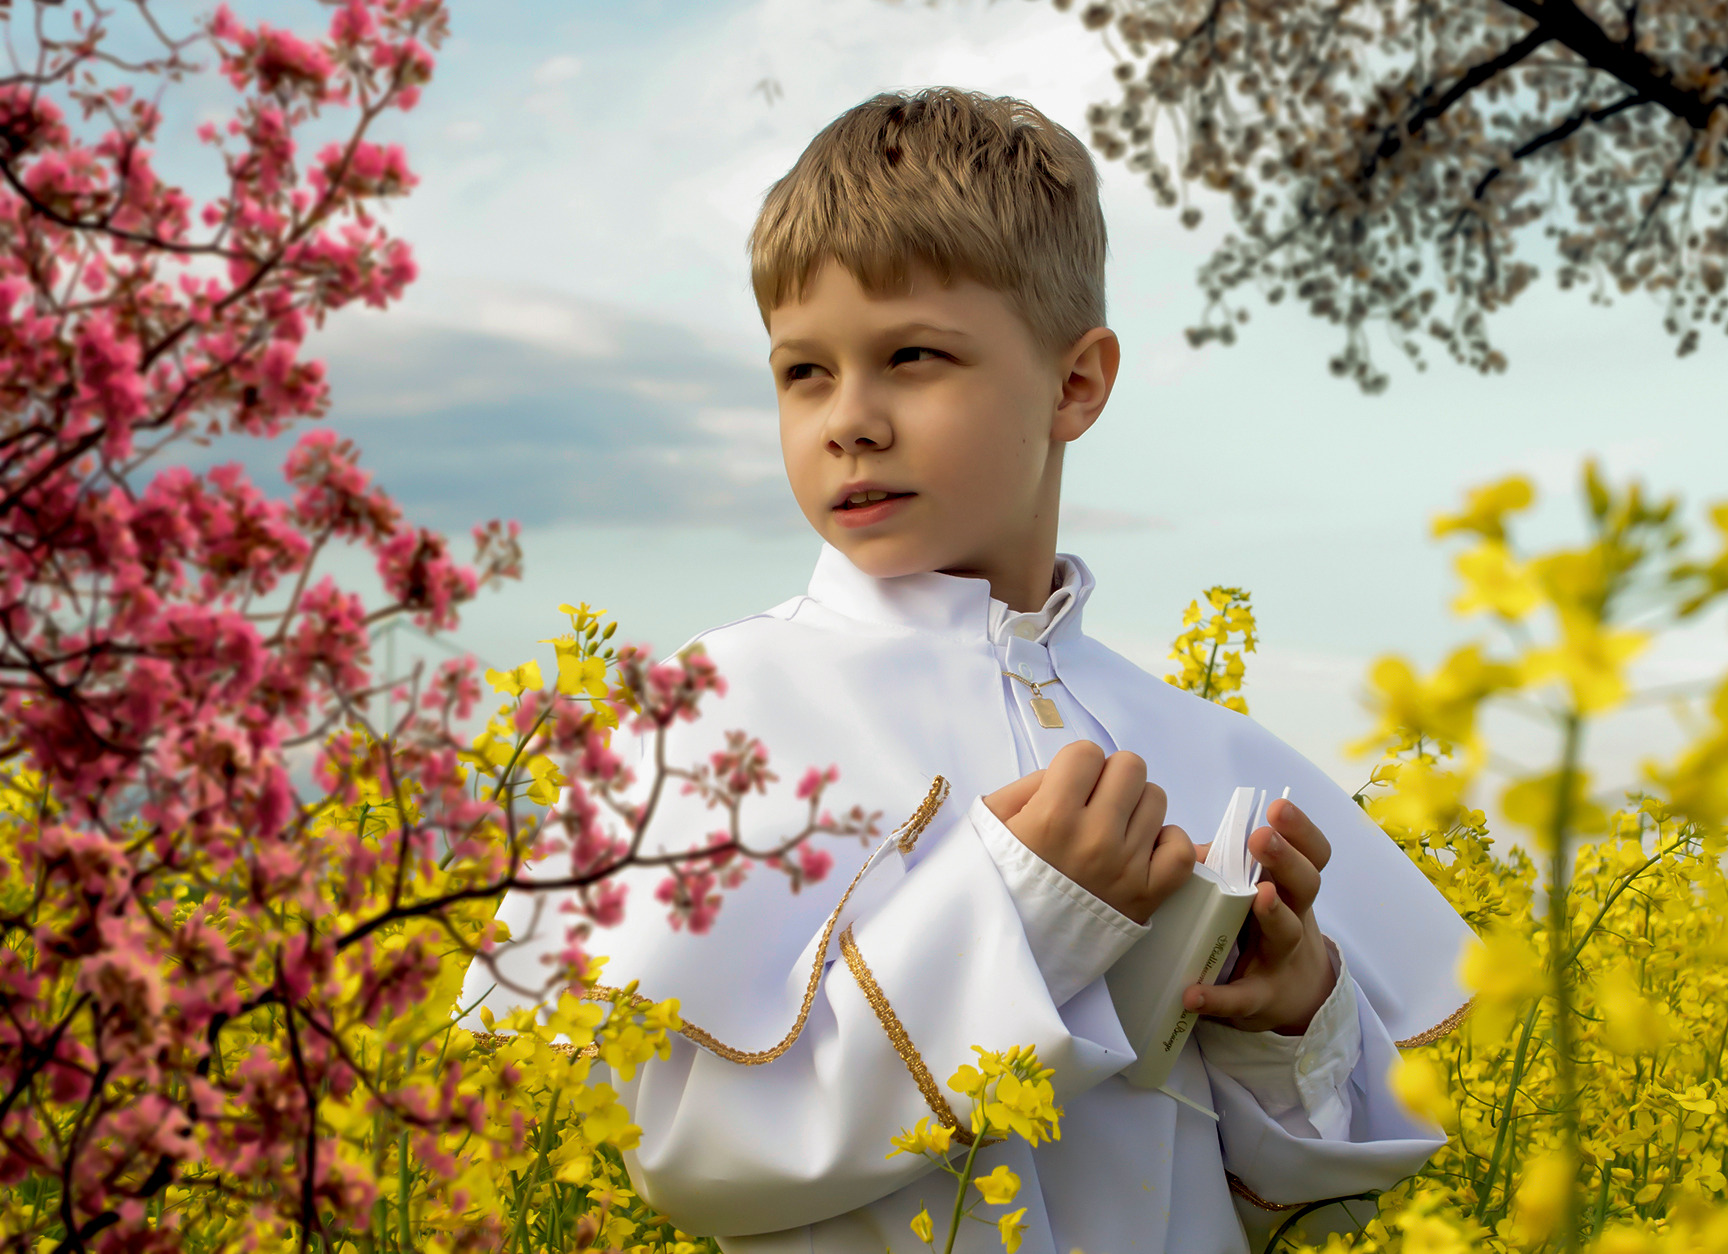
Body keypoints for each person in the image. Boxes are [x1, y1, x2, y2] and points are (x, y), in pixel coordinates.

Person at [481, 87, 1474, 1252]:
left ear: (1074, 384)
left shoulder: (1202, 744)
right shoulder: (716, 712)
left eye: (911, 357)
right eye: (803, 372)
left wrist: (1285, 1017)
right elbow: (685, 1157)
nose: (848, 421)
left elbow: (1301, 1212)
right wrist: (1024, 917)